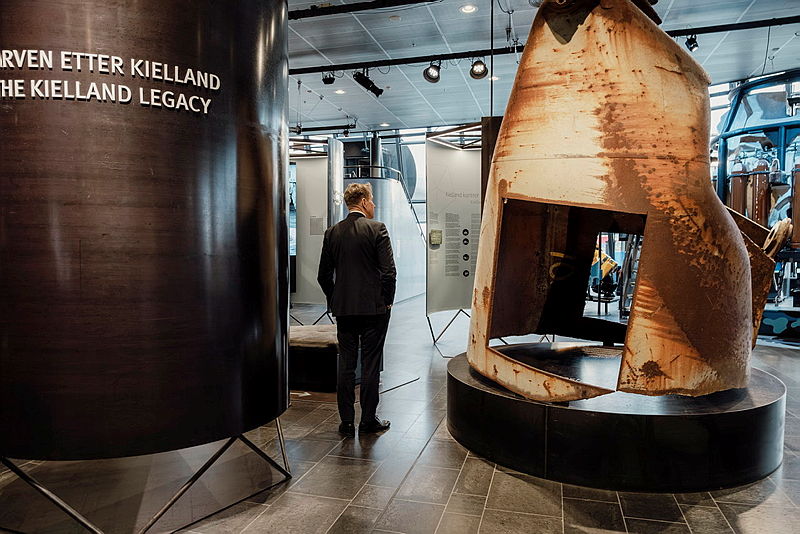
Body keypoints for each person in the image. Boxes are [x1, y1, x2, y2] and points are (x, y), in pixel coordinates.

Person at [317, 183, 396, 437]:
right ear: (363, 201)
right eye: (371, 200)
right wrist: (387, 300)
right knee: (370, 364)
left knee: (346, 364)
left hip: (344, 310)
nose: (374, 205)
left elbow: (323, 275)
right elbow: (389, 272)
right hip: (374, 309)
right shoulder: (377, 229)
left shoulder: (332, 233)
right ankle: (368, 420)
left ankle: (347, 422)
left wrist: (335, 299)